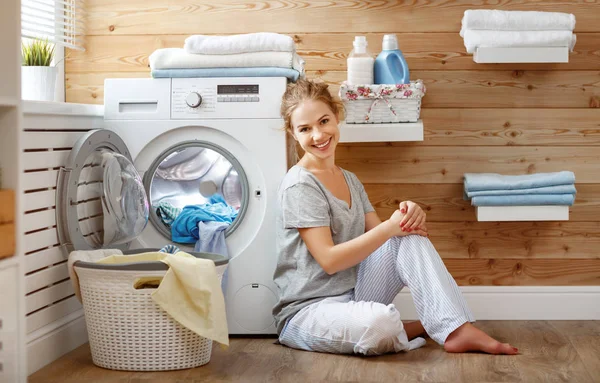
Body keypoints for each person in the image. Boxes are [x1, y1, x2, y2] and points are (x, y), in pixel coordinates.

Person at [272, 79, 518, 356]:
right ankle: (423, 325)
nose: (318, 135)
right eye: (305, 129)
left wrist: (406, 216)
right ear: (293, 134)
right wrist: (390, 228)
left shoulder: (349, 179)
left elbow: (386, 243)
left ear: (337, 117)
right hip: (310, 310)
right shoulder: (300, 185)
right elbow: (329, 261)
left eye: (324, 121)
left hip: (355, 292)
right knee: (381, 324)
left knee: (405, 233)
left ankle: (456, 329)